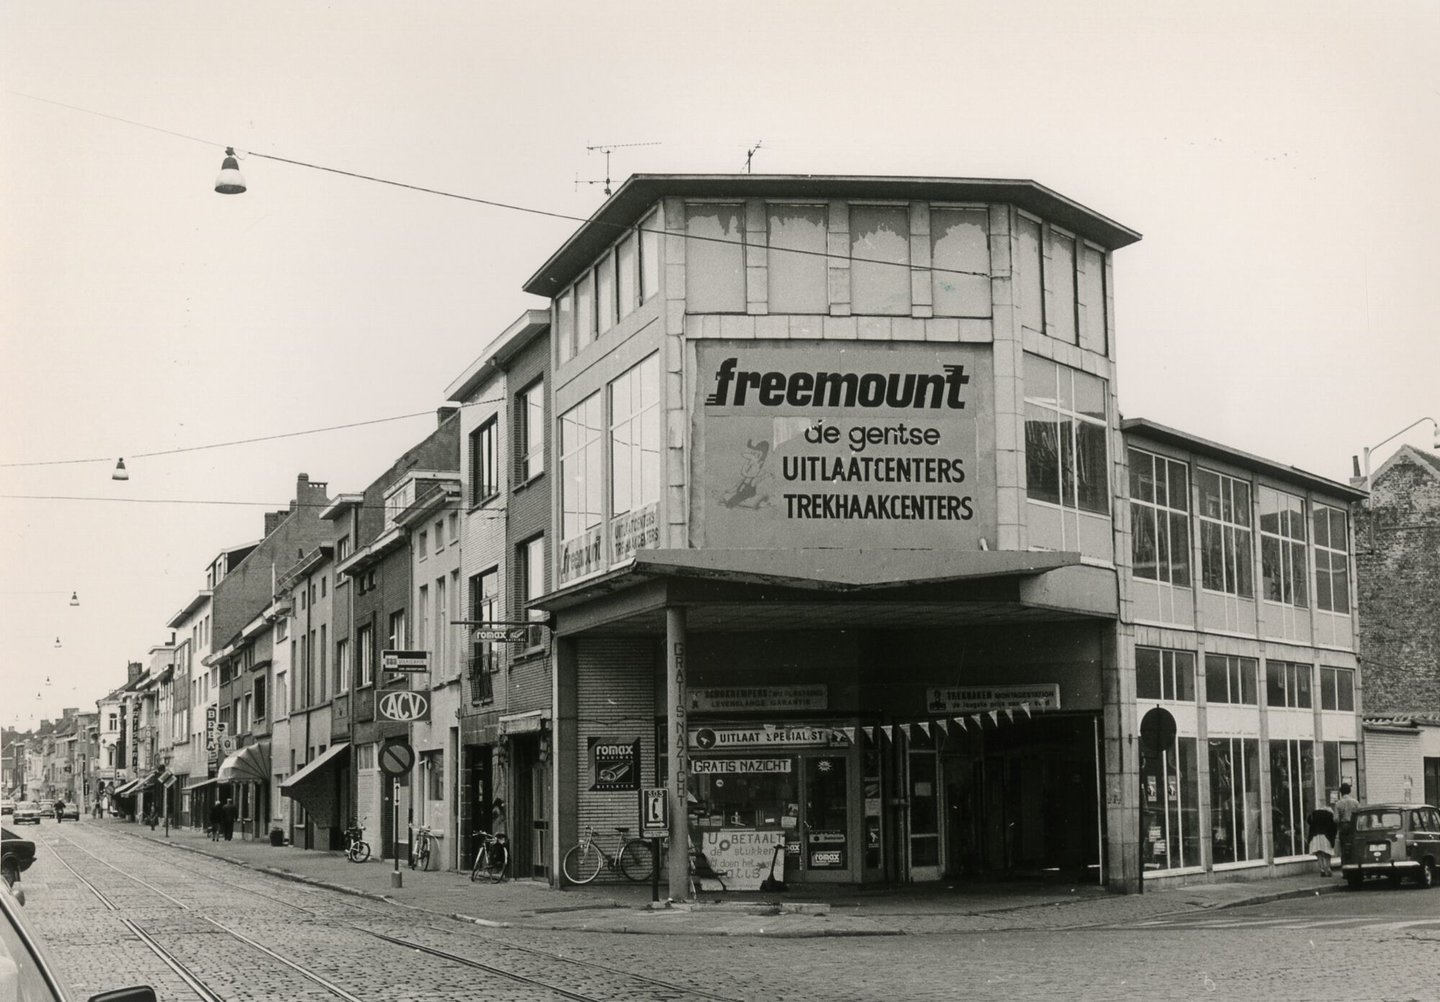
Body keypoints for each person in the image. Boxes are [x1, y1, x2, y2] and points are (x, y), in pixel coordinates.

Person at [1332, 782, 1361, 869]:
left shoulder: (1338, 803)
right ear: (1349, 791)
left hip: (1343, 826)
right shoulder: (1355, 802)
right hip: (1354, 825)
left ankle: (1345, 865)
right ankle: (1354, 863)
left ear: (1341, 792)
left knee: (1344, 847)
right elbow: (1360, 815)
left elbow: (1336, 819)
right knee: (1354, 845)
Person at [1307, 803, 1337, 876]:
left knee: (1319, 854)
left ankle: (1322, 870)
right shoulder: (1330, 815)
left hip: (1315, 836)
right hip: (1326, 836)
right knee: (1327, 853)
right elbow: (1333, 827)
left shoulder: (1315, 814)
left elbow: (1309, 821)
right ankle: (1328, 868)